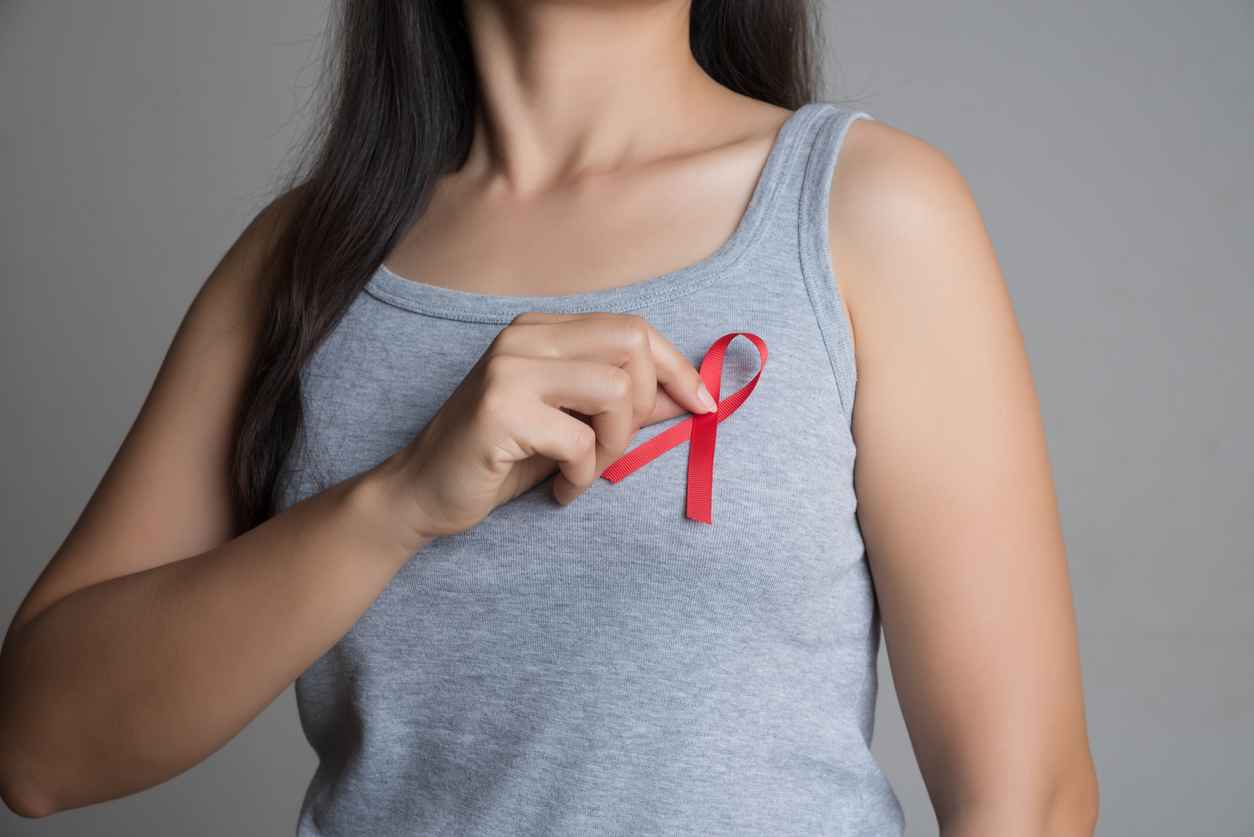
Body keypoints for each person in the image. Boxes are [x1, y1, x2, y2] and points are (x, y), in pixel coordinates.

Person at [0, 1, 1099, 834]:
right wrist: (395, 504)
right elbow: (39, 747)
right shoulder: (304, 264)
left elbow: (1028, 799)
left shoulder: (865, 210)